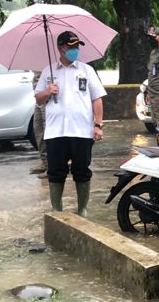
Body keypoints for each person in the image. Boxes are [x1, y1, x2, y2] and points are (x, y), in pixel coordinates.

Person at [35, 30, 106, 215]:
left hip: (81, 130)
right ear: (61, 48)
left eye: (77, 47)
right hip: (55, 131)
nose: (75, 50)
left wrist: (98, 125)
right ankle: (57, 209)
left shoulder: (86, 70)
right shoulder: (48, 71)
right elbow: (38, 100)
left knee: (82, 170)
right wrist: (48, 91)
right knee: (55, 172)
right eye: (71, 46)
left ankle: (82, 209)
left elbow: (97, 98)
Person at [29, 71, 49, 176]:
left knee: (48, 133)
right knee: (38, 130)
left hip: (48, 96)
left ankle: (53, 166)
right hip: (39, 95)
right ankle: (45, 161)